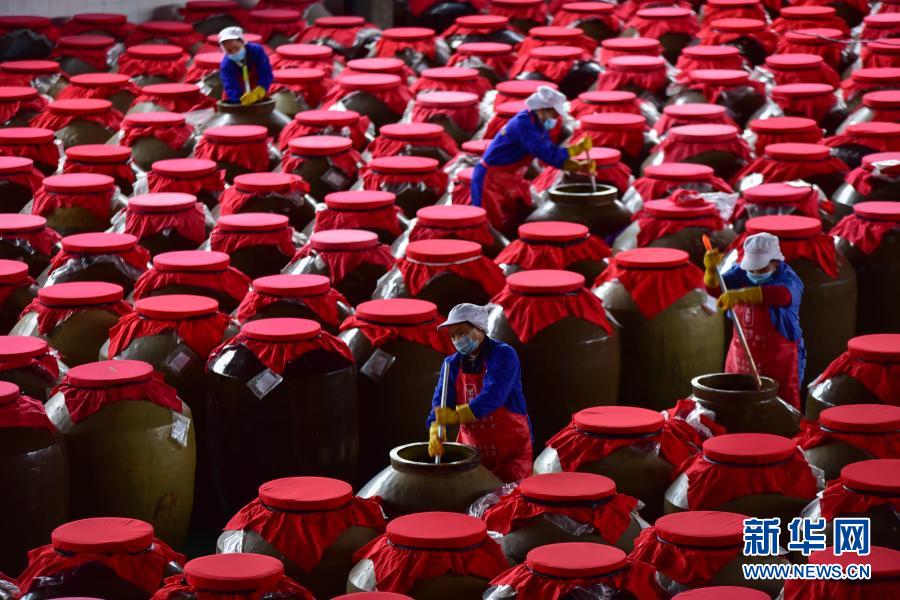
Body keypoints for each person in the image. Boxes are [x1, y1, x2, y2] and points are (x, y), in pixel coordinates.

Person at [427, 303, 533, 482]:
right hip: (472, 450)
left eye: (461, 332)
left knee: (508, 499)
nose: (456, 340)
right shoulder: (451, 364)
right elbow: (441, 400)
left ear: (479, 327)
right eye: (452, 336)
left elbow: (494, 395)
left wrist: (457, 416)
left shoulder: (503, 355)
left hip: (510, 450)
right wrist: (435, 426)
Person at [472, 85, 593, 237]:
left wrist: (577, 155)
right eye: (553, 114)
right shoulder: (524, 125)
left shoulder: (537, 124)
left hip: (509, 178)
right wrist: (576, 161)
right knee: (492, 226)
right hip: (490, 179)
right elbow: (546, 153)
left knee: (509, 222)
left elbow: (549, 148)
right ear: (542, 109)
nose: (555, 119)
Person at [705, 233, 806, 408]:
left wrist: (742, 295)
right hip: (741, 356)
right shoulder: (741, 273)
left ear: (775, 261)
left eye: (761, 269)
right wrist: (711, 272)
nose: (755, 273)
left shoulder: (789, 278)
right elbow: (716, 291)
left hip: (779, 359)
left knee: (779, 407)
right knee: (738, 403)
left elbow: (782, 295)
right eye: (752, 269)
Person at [218, 26, 273, 105]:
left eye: (236, 48)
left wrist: (260, 90)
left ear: (243, 42)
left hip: (257, 88)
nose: (234, 52)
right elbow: (230, 85)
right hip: (237, 95)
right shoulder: (226, 65)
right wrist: (239, 100)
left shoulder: (256, 51)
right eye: (229, 50)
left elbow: (266, 72)